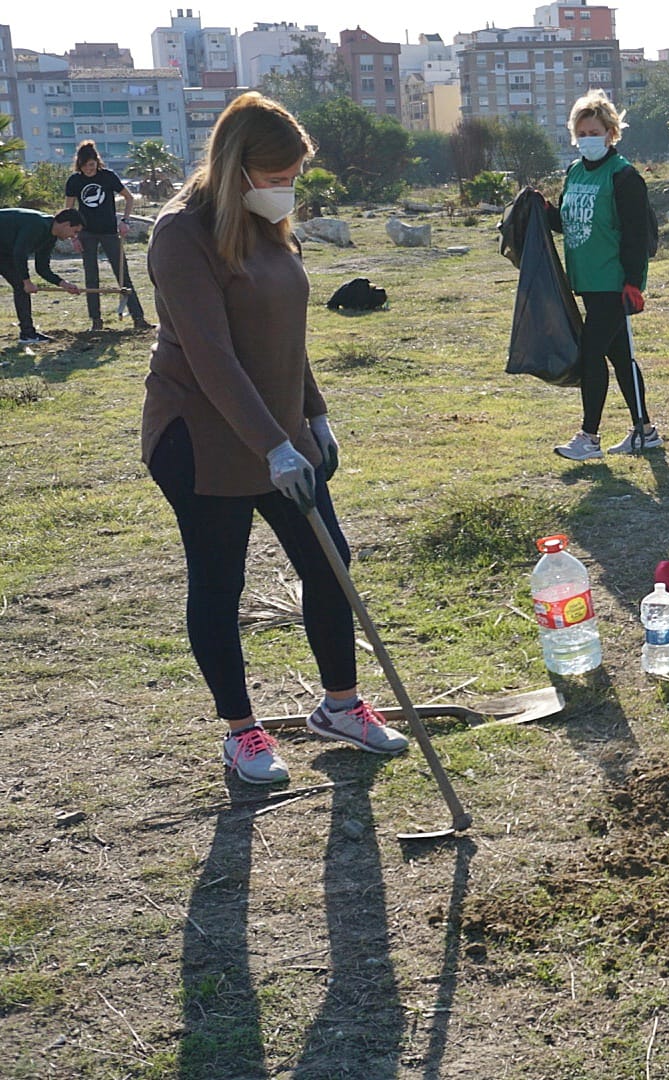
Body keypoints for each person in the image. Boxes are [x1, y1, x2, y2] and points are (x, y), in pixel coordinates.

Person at [142, 92, 408, 785]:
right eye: (278, 174)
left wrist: (312, 418)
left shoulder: (268, 226)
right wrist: (273, 445)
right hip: (199, 436)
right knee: (219, 578)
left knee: (330, 560)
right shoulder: (181, 234)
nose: (287, 187)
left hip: (276, 432)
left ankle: (340, 706)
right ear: (239, 168)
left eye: (295, 174)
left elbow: (285, 337)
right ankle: (242, 733)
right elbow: (211, 356)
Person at [547, 89, 660, 461]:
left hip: (613, 284)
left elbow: (636, 234)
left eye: (594, 132)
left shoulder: (624, 177)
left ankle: (589, 437)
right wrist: (538, 208)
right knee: (620, 357)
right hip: (587, 282)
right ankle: (644, 431)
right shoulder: (575, 172)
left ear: (611, 133)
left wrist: (633, 283)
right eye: (582, 133)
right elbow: (568, 221)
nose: (587, 140)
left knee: (589, 353)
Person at [64, 140, 152, 332]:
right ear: (80, 164)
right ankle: (96, 321)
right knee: (91, 278)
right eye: (86, 166)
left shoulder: (108, 177)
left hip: (110, 232)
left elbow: (129, 198)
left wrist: (125, 221)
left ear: (97, 162)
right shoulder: (74, 181)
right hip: (86, 234)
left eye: (92, 165)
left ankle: (138, 318)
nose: (89, 169)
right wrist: (74, 237)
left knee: (123, 276)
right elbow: (68, 211)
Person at [0, 208, 83, 344]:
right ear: (66, 224)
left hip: (4, 251)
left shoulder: (50, 237)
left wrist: (63, 284)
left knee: (20, 286)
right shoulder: (37, 225)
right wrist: (27, 281)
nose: (74, 237)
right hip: (6, 250)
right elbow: (19, 253)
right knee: (22, 285)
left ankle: (28, 334)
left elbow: (42, 268)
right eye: (75, 231)